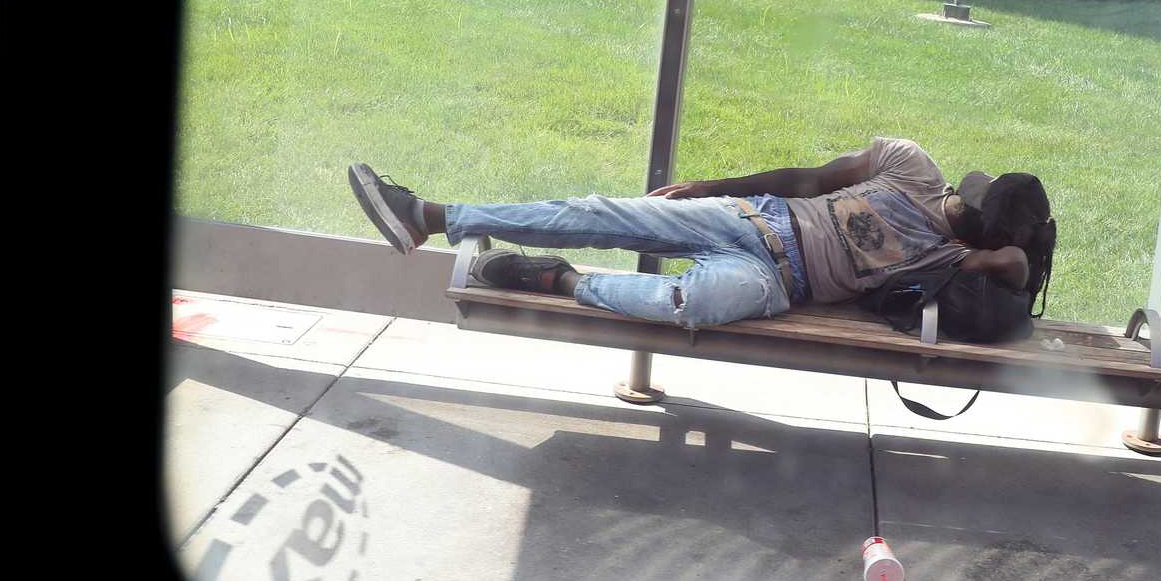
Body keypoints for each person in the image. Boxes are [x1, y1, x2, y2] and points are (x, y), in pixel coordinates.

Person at [346, 139, 1055, 331]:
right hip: (758, 221)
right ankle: (430, 216)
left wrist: (998, 250)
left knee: (694, 306)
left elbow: (1016, 268)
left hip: (781, 285)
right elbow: (805, 178)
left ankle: (556, 279)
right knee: (605, 214)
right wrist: (706, 188)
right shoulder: (910, 163)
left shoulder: (955, 260)